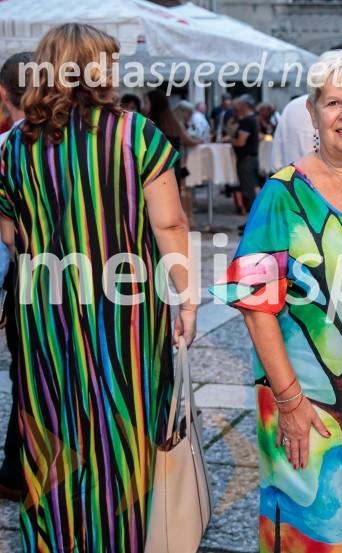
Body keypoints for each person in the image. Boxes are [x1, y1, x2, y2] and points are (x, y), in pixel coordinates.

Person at [211, 49, 342, 552]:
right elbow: (253, 302)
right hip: (309, 408)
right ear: (312, 112)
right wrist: (287, 401)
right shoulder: (281, 196)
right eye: (332, 103)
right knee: (318, 534)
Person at [0, 23, 197, 550]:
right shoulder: (136, 134)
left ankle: (56, 540)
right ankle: (121, 537)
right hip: (125, 312)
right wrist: (188, 297)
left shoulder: (14, 145)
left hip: (45, 312)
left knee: (51, 427)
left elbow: (10, 234)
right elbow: (170, 225)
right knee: (123, 429)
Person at [0, 51, 30, 503]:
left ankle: (17, 468)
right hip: (94, 280)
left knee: (26, 374)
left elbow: (5, 234)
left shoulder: (11, 145)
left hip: (26, 277)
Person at [146, 89, 203, 188]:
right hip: (173, 172)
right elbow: (187, 140)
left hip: (157, 175)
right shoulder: (173, 124)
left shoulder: (151, 125)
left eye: (146, 102)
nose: (143, 106)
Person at [223, 94, 260, 213]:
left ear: (244, 106)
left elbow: (240, 142)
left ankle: (253, 222)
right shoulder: (253, 118)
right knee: (251, 188)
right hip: (252, 158)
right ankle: (252, 221)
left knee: (249, 191)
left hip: (246, 160)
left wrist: (230, 140)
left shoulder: (247, 120)